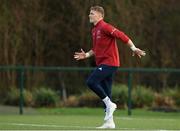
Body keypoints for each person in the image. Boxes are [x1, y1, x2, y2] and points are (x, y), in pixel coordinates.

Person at [74, 5, 146, 129]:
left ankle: (110, 104)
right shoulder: (94, 30)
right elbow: (96, 49)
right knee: (107, 92)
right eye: (89, 13)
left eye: (92, 13)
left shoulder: (105, 26)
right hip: (103, 63)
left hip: (110, 63)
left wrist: (133, 48)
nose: (89, 15)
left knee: (91, 82)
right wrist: (86, 54)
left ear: (100, 15)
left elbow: (121, 35)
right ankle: (109, 122)